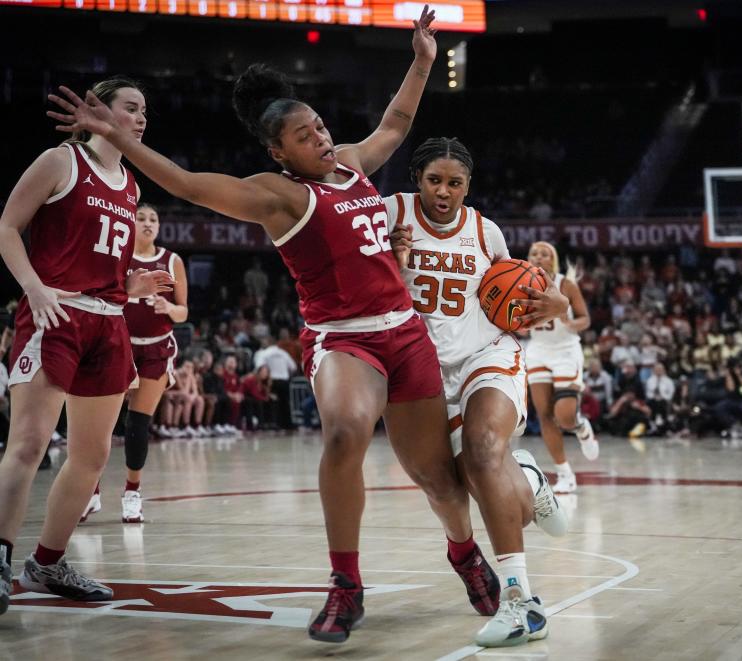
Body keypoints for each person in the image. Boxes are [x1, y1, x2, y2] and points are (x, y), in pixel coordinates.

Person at [47, 9, 524, 645]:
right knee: (345, 433)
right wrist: (122, 139)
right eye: (306, 135)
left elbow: (398, 123)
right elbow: (187, 184)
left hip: (406, 332)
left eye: (321, 125)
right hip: (344, 336)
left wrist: (421, 62)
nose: (323, 137)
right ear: (280, 151)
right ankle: (345, 584)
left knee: (437, 476)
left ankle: (463, 553)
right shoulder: (277, 195)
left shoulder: (352, 164)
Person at [386, 137, 570, 647]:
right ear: (416, 180)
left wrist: (551, 305)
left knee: (486, 450)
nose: (444, 192)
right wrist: (395, 262)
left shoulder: (485, 232)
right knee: (461, 486)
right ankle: (529, 481)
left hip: (486, 355)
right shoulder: (388, 215)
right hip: (419, 372)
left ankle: (521, 604)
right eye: (434, 180)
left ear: (468, 186)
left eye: (455, 183)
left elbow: (522, 295)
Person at [0, 77, 173, 613]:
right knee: (29, 444)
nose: (141, 118)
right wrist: (32, 286)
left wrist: (131, 287)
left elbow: (110, 263)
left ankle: (47, 561)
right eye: (131, 107)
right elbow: (7, 226)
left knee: (94, 455)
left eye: (145, 110)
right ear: (100, 109)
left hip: (108, 319)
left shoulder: (131, 184)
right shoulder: (61, 161)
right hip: (55, 313)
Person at [84, 202, 189, 523]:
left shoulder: (172, 261)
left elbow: (183, 312)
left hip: (157, 347)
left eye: (153, 219)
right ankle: (91, 492)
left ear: (158, 227)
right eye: (141, 217)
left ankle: (132, 492)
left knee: (137, 423)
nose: (147, 223)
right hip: (119, 344)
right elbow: (101, 297)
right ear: (131, 222)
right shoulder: (120, 256)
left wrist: (167, 309)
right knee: (102, 423)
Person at [524, 240, 597, 494]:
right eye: (534, 253)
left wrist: (569, 322)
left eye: (544, 254)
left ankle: (581, 428)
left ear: (552, 260)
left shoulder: (566, 284)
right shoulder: (520, 284)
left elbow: (585, 319)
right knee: (544, 414)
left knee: (564, 417)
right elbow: (519, 324)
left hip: (566, 350)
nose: (538, 257)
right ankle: (564, 473)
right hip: (538, 350)